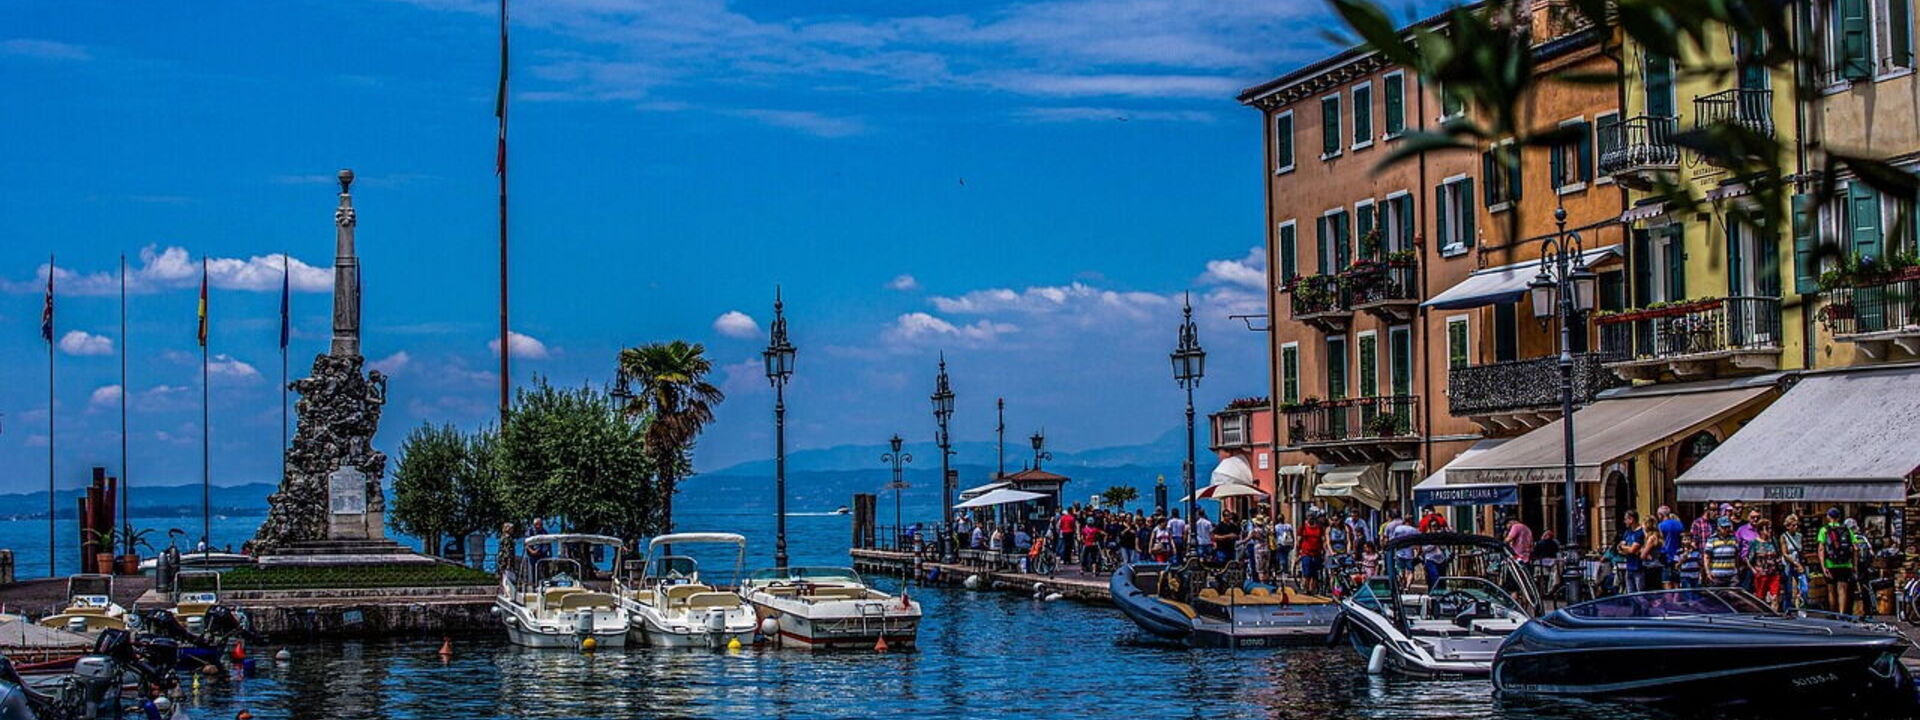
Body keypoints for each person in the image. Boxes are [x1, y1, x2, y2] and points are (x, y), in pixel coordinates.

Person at [1817, 508, 1858, 613]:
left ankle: (1833, 613)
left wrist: (1823, 566)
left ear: (1828, 517)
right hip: (1845, 564)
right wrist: (1854, 566)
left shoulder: (1824, 530)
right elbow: (1855, 548)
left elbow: (1821, 549)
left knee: (1831, 590)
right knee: (1842, 590)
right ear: (1839, 518)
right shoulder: (1847, 529)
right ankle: (1842, 614)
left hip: (1830, 563)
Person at [1747, 522, 1784, 611]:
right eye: (1767, 529)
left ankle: (1774, 614)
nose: (1770, 531)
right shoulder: (1755, 543)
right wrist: (1754, 571)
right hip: (1761, 575)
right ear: (1760, 531)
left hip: (1774, 574)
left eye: (1770, 528)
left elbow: (1778, 554)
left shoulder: (1773, 541)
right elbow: (1749, 559)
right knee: (1760, 598)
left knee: (1775, 597)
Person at [1779, 513, 1806, 611]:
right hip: (1788, 564)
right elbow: (1784, 553)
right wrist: (1795, 563)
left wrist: (1801, 563)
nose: (1796, 527)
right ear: (1788, 526)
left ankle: (1802, 607)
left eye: (1797, 525)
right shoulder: (1784, 537)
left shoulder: (1800, 536)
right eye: (1793, 525)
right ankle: (1787, 609)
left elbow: (1801, 550)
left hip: (1798, 562)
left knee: (1803, 588)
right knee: (1788, 589)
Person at [1615, 511, 1646, 594]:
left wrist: (1626, 548)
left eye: (1626, 519)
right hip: (1629, 566)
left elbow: (1632, 549)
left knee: (1640, 593)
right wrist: (1627, 548)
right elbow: (1619, 547)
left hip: (1638, 567)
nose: (1624, 521)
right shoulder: (1627, 532)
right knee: (1630, 593)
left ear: (1631, 519)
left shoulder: (1640, 532)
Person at [1705, 517, 1741, 588]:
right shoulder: (1712, 539)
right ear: (1719, 527)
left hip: (1732, 575)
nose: (1727, 529)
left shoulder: (1733, 538)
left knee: (1733, 593)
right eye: (1724, 527)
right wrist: (1708, 572)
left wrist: (1737, 569)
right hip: (1716, 575)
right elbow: (1707, 557)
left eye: (1728, 527)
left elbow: (1736, 556)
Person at [1298, 514, 1327, 594]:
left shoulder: (1319, 528)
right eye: (1309, 519)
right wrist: (1298, 552)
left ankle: (1312, 589)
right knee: (1307, 573)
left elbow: (1323, 540)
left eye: (1312, 518)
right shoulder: (1303, 528)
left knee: (1315, 573)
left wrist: (1324, 550)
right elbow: (1299, 540)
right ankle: (1306, 589)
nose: (1310, 520)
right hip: (1306, 553)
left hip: (1317, 553)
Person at [1273, 514, 1296, 581]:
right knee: (1286, 556)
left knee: (1282, 557)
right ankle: (1285, 569)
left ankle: (1284, 569)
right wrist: (1293, 542)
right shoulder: (1288, 526)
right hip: (1287, 543)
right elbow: (1292, 534)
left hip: (1280, 543)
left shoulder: (1276, 527)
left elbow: (1275, 535)